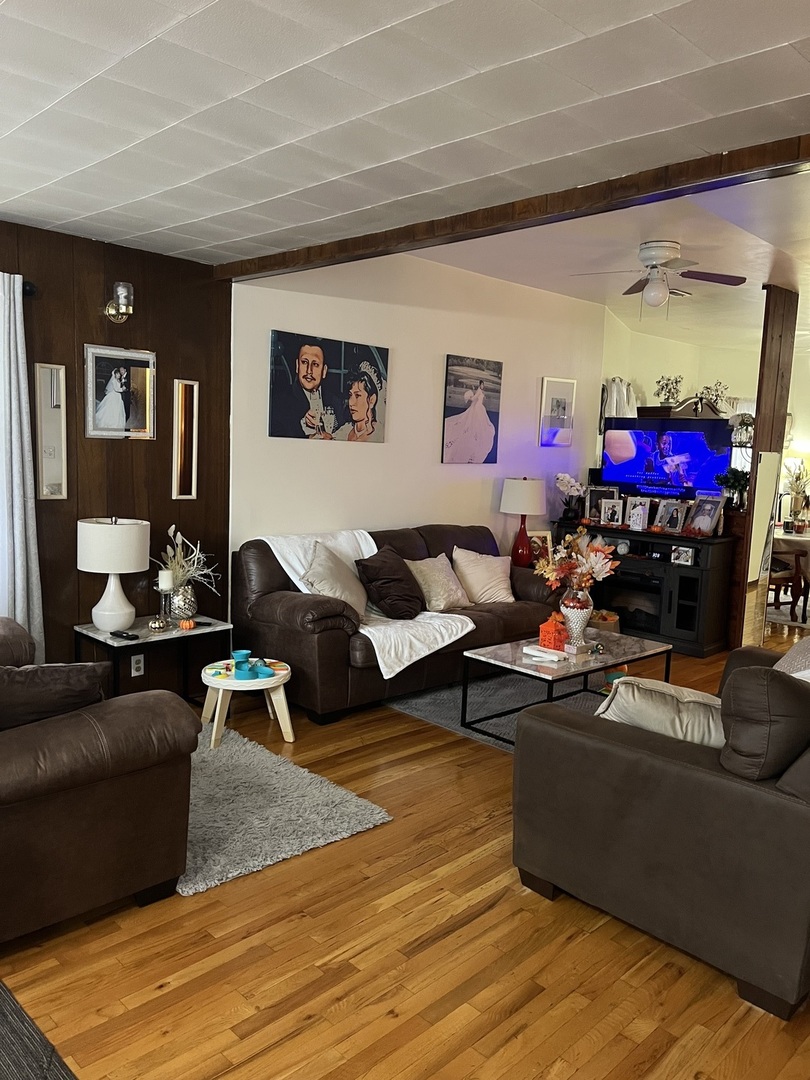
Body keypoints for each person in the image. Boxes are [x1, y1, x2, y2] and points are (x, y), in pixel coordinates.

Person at [270, 339, 343, 438]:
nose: (309, 371)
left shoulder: (336, 400)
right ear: (297, 366)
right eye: (304, 362)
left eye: (315, 364)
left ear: (324, 371)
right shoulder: (279, 402)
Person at [443, 379, 495, 464]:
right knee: (474, 420)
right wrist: (470, 397)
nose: (482, 386)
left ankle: (477, 431)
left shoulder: (481, 391)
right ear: (480, 385)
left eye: (483, 385)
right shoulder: (479, 391)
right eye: (482, 385)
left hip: (480, 407)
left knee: (481, 421)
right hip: (477, 407)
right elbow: (474, 398)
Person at [334, 362, 384, 442]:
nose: (351, 402)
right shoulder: (344, 431)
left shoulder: (379, 435)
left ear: (372, 400)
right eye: (350, 395)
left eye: (357, 395)